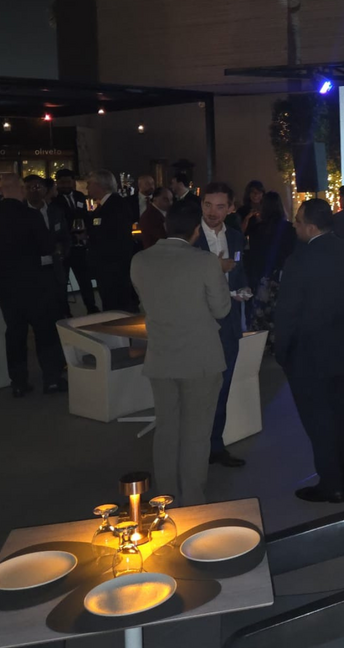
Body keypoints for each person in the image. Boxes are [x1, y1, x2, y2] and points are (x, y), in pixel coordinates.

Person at [274, 198, 344, 503]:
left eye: (297, 222)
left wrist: (282, 350)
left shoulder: (299, 260)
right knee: (341, 410)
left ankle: (331, 483)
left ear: (310, 227)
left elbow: (287, 313)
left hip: (309, 353)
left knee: (318, 418)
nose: (294, 227)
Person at [130, 201, 230, 507]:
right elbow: (221, 309)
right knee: (196, 432)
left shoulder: (140, 260)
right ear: (196, 230)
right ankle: (193, 498)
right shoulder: (205, 262)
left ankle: (166, 497)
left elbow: (145, 303)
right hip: (200, 358)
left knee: (166, 428)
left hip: (161, 355)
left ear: (166, 226)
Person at [0, 175, 68, 397]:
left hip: (5, 280)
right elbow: (46, 247)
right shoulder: (30, 215)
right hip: (34, 279)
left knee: (15, 331)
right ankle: (51, 378)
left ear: (1, 191)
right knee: (44, 329)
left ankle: (19, 381)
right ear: (21, 190)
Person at [194, 183, 249, 469]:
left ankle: (215, 445)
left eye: (219, 206)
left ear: (230, 208)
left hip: (228, 320)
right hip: (197, 322)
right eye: (207, 205)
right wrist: (216, 268)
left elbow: (240, 273)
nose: (212, 212)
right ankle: (195, 447)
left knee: (223, 386)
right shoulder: (190, 238)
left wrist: (244, 291)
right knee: (197, 388)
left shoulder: (236, 237)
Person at [243, 191, 297, 342]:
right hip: (283, 279)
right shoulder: (290, 229)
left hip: (262, 279)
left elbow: (252, 256)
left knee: (261, 321)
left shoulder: (257, 230)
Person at [86, 170, 136, 313]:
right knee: (110, 303)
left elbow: (118, 236)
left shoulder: (116, 205)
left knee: (117, 305)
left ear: (100, 185)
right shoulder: (104, 205)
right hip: (107, 266)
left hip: (114, 266)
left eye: (89, 184)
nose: (87, 187)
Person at [24, 175, 72, 319]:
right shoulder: (20, 213)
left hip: (54, 268)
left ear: (45, 189)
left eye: (37, 187)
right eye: (29, 187)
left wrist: (62, 252)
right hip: (32, 270)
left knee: (59, 308)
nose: (33, 191)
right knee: (38, 312)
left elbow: (65, 236)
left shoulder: (55, 211)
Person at [54, 169, 99, 315]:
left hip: (80, 246)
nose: (66, 185)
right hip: (64, 246)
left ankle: (91, 307)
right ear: (57, 183)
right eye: (62, 182)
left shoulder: (79, 196)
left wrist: (87, 232)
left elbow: (84, 215)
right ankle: (64, 311)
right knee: (62, 281)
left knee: (84, 278)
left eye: (68, 182)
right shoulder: (54, 200)